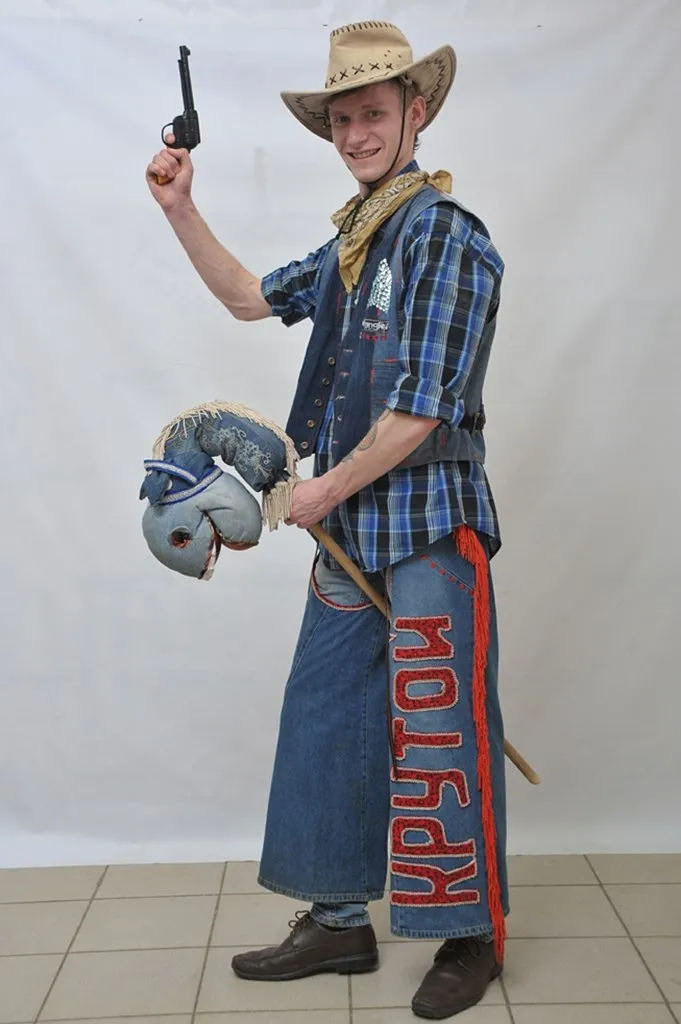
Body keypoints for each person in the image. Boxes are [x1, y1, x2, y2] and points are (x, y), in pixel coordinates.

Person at [146, 20, 509, 1020]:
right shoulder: (355, 240)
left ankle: (469, 935)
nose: (356, 134)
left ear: (415, 113)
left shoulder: (446, 236)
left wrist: (321, 490)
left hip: (429, 524)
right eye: (342, 119)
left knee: (439, 724)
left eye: (373, 114)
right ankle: (340, 920)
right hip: (351, 536)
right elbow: (246, 299)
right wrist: (181, 209)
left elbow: (423, 409)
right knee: (326, 716)